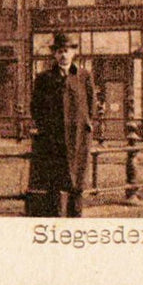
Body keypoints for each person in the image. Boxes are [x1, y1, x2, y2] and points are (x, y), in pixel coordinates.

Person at [28, 31, 96, 217]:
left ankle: (76, 221)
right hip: (54, 140)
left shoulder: (83, 77)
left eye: (66, 51)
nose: (63, 55)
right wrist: (44, 129)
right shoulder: (44, 79)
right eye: (59, 51)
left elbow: (91, 106)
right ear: (54, 54)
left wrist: (87, 126)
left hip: (78, 140)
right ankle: (56, 222)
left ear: (73, 52)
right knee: (55, 186)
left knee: (77, 184)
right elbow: (36, 107)